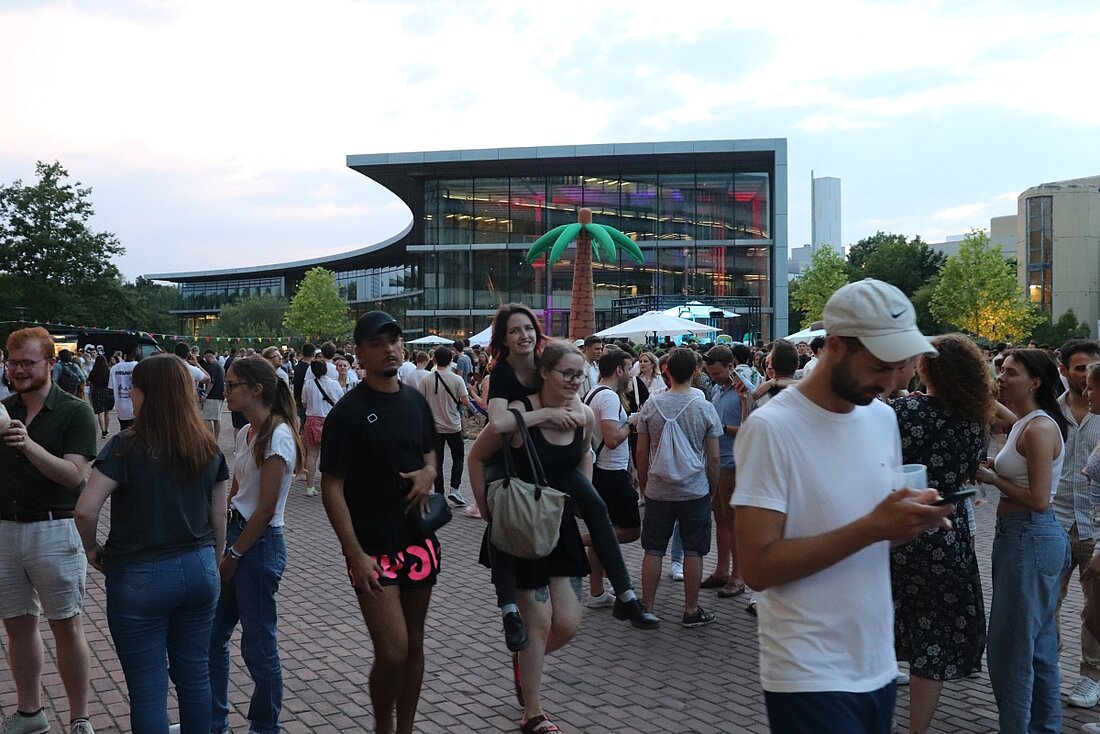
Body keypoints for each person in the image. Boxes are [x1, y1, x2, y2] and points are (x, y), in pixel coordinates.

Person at [734, 279, 954, 734]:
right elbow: (756, 566)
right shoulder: (773, 428)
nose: (893, 381)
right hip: (807, 671)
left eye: (901, 367)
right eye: (879, 366)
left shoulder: (882, 416)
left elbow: (868, 532)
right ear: (834, 346)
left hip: (877, 661)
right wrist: (874, 527)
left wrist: (904, 524)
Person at [468, 304, 658, 654]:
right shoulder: (505, 371)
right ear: (503, 339)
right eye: (514, 330)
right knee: (504, 519)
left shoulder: (553, 361)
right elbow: (497, 424)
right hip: (508, 457)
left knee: (598, 508)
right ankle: (509, 609)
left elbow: (584, 449)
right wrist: (547, 413)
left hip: (558, 464)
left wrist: (577, 492)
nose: (523, 335)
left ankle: (626, 594)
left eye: (528, 328)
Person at [74, 355, 228, 734]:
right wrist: (215, 559)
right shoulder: (209, 447)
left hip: (139, 573)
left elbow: (85, 510)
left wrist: (92, 550)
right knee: (195, 676)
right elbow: (218, 517)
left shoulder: (125, 447)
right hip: (199, 567)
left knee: (147, 689)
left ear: (145, 393)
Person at [319, 312, 439, 734]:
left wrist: (428, 473)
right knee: (392, 650)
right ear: (360, 352)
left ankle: (403, 728)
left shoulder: (414, 399)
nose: (390, 348)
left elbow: (430, 453)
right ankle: (382, 725)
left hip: (418, 540)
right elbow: (331, 485)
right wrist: (353, 552)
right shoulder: (347, 414)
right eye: (378, 342)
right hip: (371, 548)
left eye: (395, 340)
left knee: (415, 645)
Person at [468, 339, 594, 734]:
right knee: (537, 622)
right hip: (522, 527)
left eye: (580, 374)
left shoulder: (585, 414)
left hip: (561, 527)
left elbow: (584, 454)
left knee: (568, 623)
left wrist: (582, 496)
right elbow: (476, 455)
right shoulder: (520, 413)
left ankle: (525, 659)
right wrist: (485, 506)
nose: (575, 381)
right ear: (545, 373)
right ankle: (533, 714)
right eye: (567, 374)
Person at [889, 334, 993, 734]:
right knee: (932, 637)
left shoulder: (903, 412)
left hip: (898, 525)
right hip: (948, 529)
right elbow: (970, 471)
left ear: (926, 367)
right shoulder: (974, 421)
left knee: (885, 621)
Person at [0, 327, 99, 734]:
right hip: (5, 529)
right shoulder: (5, 408)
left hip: (55, 531)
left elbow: (75, 477)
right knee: (17, 625)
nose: (18, 370)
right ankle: (30, 712)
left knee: (66, 625)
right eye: (12, 362)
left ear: (51, 364)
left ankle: (80, 718)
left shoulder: (76, 412)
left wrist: (27, 444)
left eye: (28, 362)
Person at [975, 348, 1071, 734]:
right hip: (1024, 538)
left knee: (1010, 652)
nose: (1001, 377)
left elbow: (1039, 498)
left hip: (1029, 536)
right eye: (1001, 370)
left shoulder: (1040, 428)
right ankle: (1044, 728)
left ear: (1034, 382)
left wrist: (991, 479)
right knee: (1038, 648)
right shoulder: (1025, 421)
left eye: (1010, 372)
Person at [208, 356, 303, 734]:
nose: (226, 391)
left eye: (232, 385)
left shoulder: (278, 436)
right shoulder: (250, 431)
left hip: (258, 544)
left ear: (256, 389)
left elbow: (265, 509)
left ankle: (267, 726)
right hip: (240, 535)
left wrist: (234, 553)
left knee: (259, 645)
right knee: (213, 636)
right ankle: (214, 721)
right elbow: (237, 487)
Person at [636, 348, 723, 627]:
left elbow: (641, 452)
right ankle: (690, 609)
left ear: (667, 371)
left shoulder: (651, 405)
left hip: (658, 489)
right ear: (696, 372)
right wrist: (711, 486)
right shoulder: (704, 407)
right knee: (693, 550)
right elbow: (714, 457)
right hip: (694, 488)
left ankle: (647, 607)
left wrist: (644, 482)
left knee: (653, 549)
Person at [1049, 340, 1100, 708]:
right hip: (1056, 519)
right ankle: (1048, 663)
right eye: (1078, 368)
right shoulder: (1052, 412)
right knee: (1048, 600)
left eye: (1091, 369)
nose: (1085, 376)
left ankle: (1090, 677)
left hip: (1095, 527)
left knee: (1095, 609)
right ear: (1064, 370)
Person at [582, 349, 642, 607]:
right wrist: (632, 423)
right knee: (630, 531)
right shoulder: (607, 397)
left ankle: (597, 591)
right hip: (610, 473)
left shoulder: (595, 392)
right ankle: (567, 540)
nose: (631, 374)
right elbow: (612, 439)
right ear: (619, 370)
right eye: (629, 368)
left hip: (604, 470)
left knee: (602, 530)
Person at [700, 345, 753, 599]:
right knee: (720, 521)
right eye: (711, 374)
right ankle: (722, 570)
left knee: (733, 524)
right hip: (717, 463)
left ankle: (738, 576)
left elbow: (750, 428)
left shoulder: (744, 391)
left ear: (730, 367)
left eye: (717, 373)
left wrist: (720, 428)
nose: (714, 378)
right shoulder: (718, 390)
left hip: (733, 463)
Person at [418, 346, 470, 507]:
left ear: (433, 360)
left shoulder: (427, 379)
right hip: (453, 425)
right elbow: (465, 402)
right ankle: (455, 488)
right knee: (458, 457)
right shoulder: (457, 379)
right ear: (451, 360)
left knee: (437, 460)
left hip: (434, 428)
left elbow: (419, 401)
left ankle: (439, 491)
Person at [301, 359, 341, 498]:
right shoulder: (334, 384)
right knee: (329, 454)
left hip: (312, 420)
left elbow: (304, 402)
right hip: (330, 421)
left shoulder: (309, 385)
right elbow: (340, 402)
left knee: (312, 454)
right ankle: (328, 485)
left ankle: (309, 486)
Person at [200, 350, 226, 440]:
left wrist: (205, 394)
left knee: (206, 418)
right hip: (220, 394)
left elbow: (211, 381)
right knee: (216, 418)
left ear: (208, 356)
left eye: (205, 357)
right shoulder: (220, 366)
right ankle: (215, 439)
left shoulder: (213, 366)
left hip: (212, 396)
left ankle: (210, 439)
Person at [87, 354, 113, 438]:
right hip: (107, 390)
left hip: (97, 391)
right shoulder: (108, 371)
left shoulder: (93, 371)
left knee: (100, 413)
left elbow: (89, 382)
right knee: (107, 411)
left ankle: (103, 430)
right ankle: (106, 428)